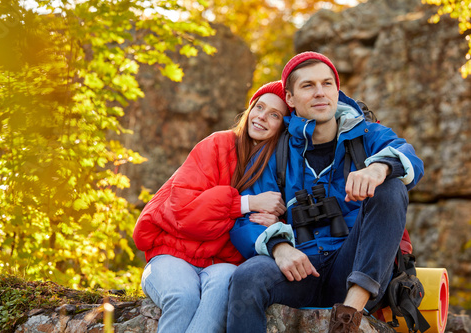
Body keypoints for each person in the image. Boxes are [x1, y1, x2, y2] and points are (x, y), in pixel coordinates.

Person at [227, 52, 424, 333]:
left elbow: (409, 157)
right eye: (308, 86)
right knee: (248, 276)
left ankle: (348, 319)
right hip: (300, 267)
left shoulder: (367, 135)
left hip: (356, 268)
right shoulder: (276, 150)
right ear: (291, 99)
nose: (320, 93)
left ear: (336, 89)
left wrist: (377, 169)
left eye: (327, 83)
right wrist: (280, 248)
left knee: (391, 184)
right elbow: (246, 220)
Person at [133, 81, 291, 333]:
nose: (261, 117)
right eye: (259, 107)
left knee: (222, 291)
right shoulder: (218, 144)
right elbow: (185, 213)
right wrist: (247, 203)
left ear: (285, 126)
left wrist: (277, 227)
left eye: (274, 114)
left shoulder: (279, 166)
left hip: (223, 263)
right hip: (171, 254)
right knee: (183, 298)